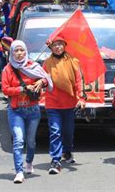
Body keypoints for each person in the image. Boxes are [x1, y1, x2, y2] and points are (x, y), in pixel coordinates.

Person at [2, 40, 53, 184]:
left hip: (33, 111)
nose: (19, 54)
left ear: (26, 52)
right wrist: (22, 89)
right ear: (11, 53)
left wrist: (41, 82)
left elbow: (46, 78)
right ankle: (19, 171)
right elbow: (5, 89)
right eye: (16, 51)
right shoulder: (7, 69)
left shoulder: (33, 66)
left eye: (21, 50)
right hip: (16, 110)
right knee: (18, 141)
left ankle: (29, 162)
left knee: (30, 142)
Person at [43, 37, 85, 174]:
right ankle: (55, 160)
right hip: (53, 103)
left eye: (60, 44)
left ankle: (67, 151)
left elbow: (79, 80)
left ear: (64, 46)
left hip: (69, 103)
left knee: (68, 131)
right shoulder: (47, 63)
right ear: (51, 48)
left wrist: (81, 97)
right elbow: (43, 80)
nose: (58, 47)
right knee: (55, 131)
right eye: (55, 45)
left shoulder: (73, 62)